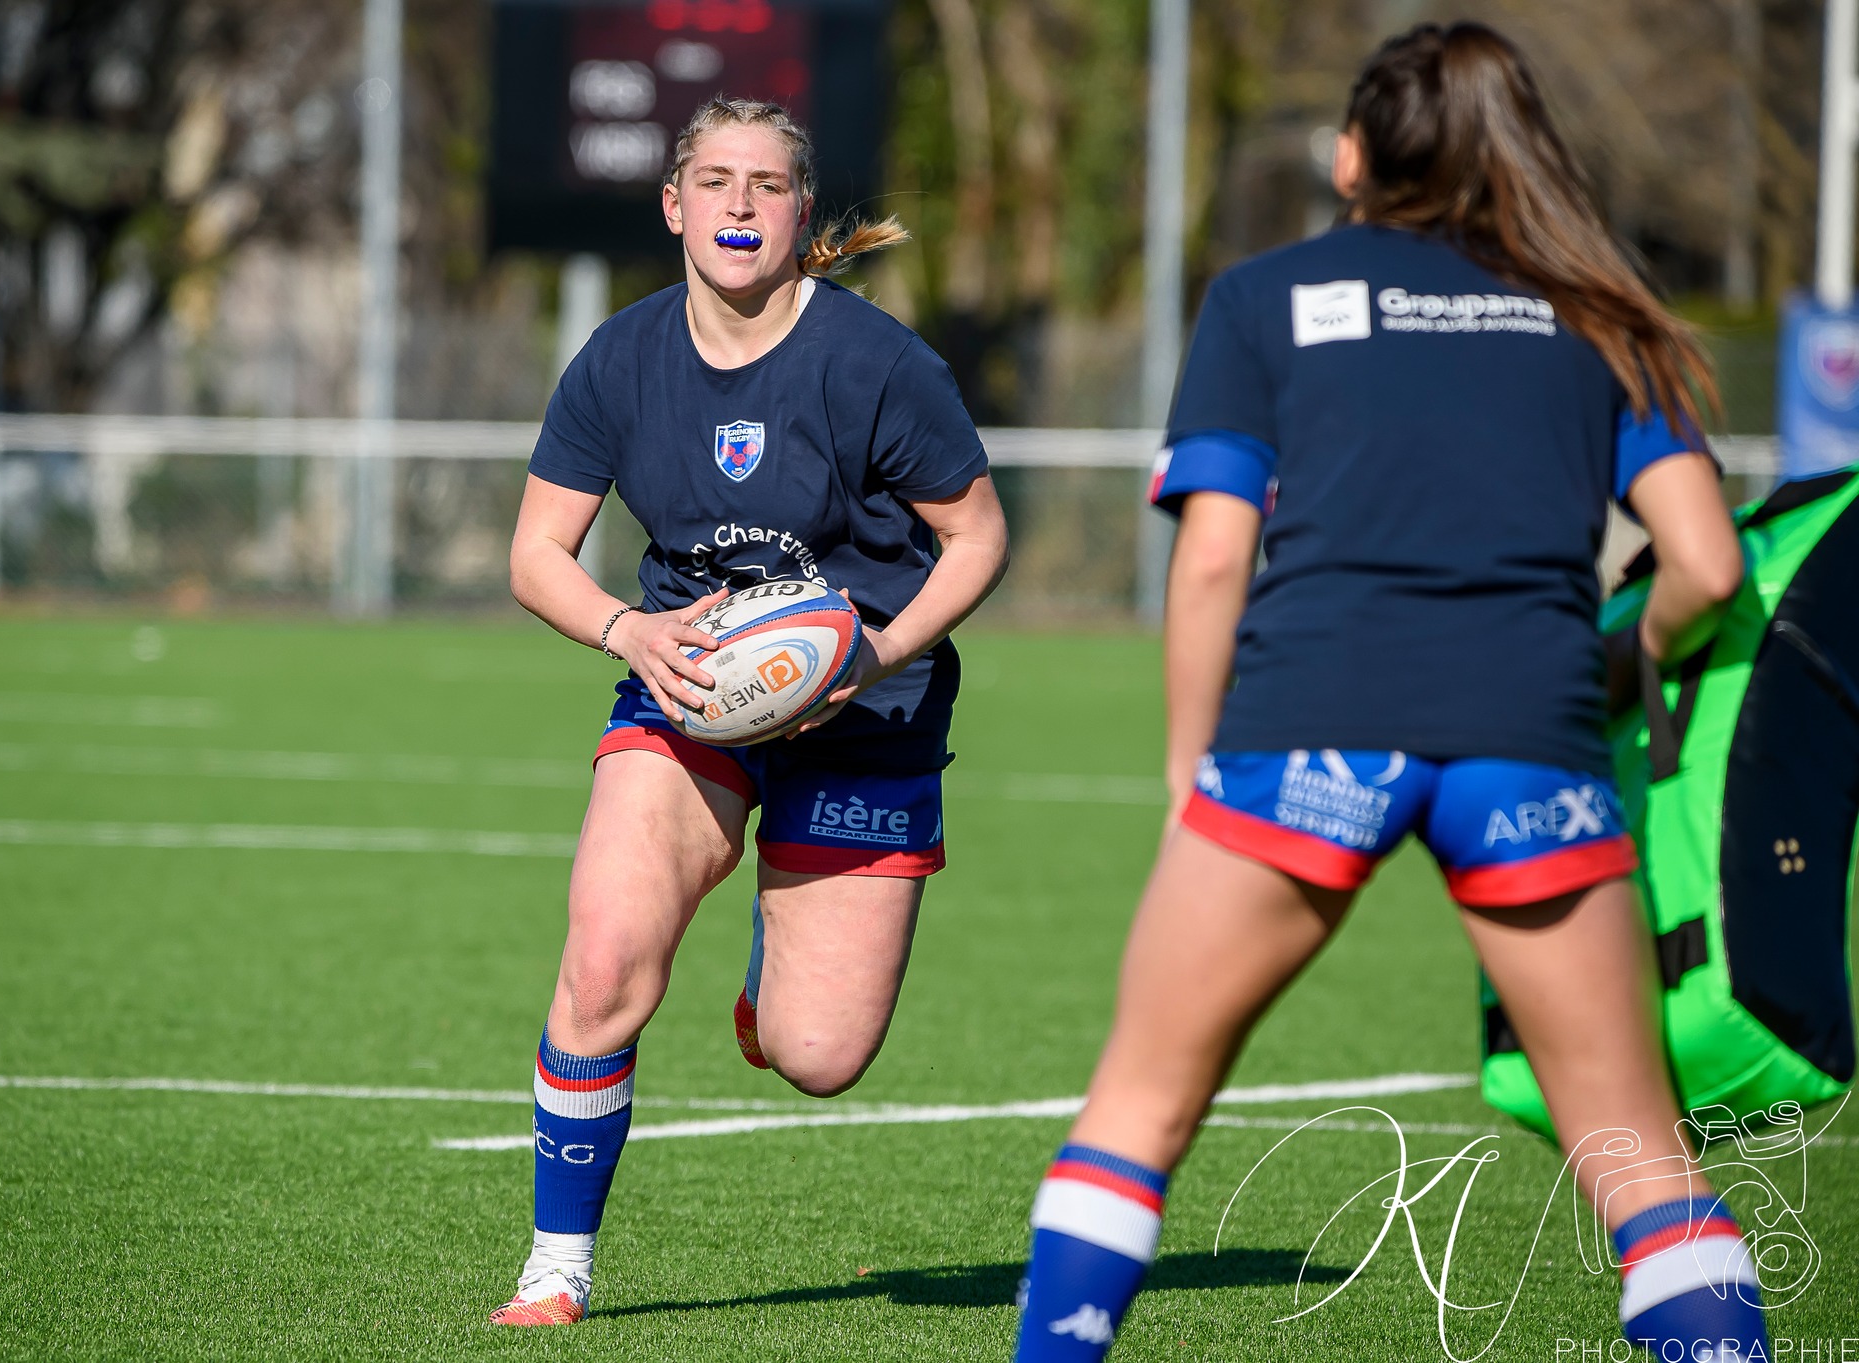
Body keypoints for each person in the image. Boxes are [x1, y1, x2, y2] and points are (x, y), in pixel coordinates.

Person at [1012, 24, 1756, 1363]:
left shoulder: (1263, 296)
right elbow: (1704, 561)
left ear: (1352, 156)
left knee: (1137, 1107)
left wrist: (1192, 769)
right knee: (1642, 1159)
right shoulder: (1595, 308)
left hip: (1305, 732)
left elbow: (1215, 559)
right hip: (1531, 742)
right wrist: (1628, 653)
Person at [494, 96, 1009, 1327]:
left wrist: (873, 653)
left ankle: (769, 967)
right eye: (712, 181)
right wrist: (628, 630)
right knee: (604, 957)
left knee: (819, 1055)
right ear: (671, 205)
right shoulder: (618, 359)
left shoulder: (878, 362)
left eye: (766, 185)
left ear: (797, 214)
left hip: (865, 707)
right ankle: (556, 1267)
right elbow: (534, 554)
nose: (737, 204)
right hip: (688, 691)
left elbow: (977, 537)